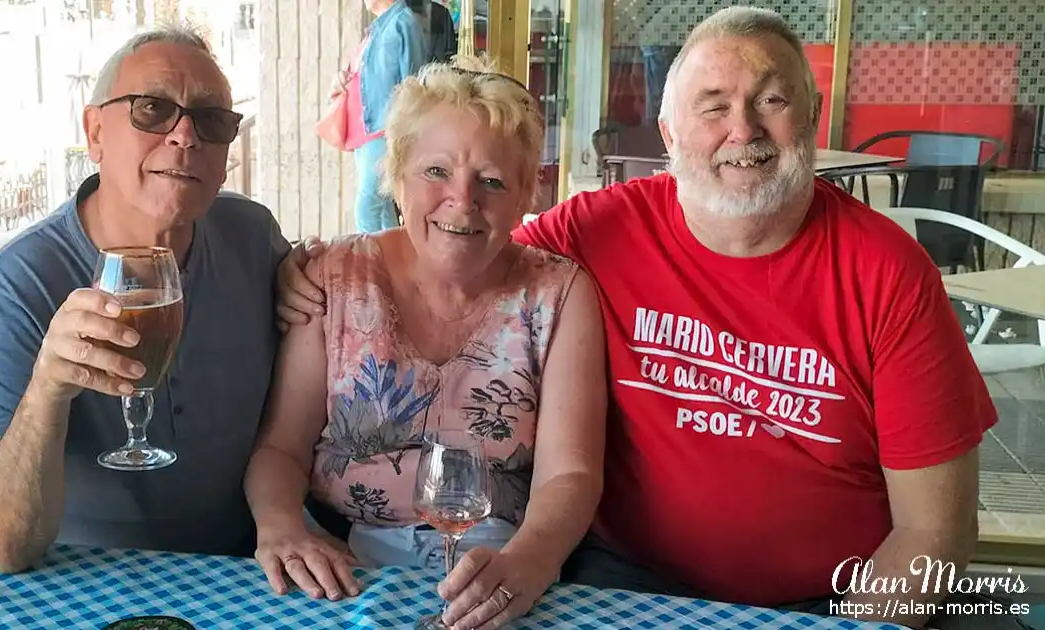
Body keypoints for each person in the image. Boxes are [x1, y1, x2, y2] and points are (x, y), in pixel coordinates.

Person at [275, 8, 1013, 630]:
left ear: (812, 118)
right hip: (625, 584)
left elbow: (932, 532)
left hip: (822, 602)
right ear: (667, 131)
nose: (743, 128)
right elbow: (467, 241)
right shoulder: (598, 231)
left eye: (772, 100)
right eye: (714, 103)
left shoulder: (888, 272)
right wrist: (306, 271)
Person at [245, 56, 607, 630]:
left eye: (491, 181)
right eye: (436, 172)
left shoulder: (560, 293)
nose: (462, 201)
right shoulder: (333, 276)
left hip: (506, 568)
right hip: (343, 572)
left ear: (524, 197)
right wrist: (282, 527)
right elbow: (280, 449)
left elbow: (571, 474)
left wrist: (531, 562)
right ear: (395, 175)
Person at [0, 26, 290, 573]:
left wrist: (318, 277)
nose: (185, 136)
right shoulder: (24, 281)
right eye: (152, 108)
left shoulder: (252, 238)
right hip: (85, 576)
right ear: (95, 132)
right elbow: (7, 546)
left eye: (211, 120)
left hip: (246, 567)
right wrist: (48, 389)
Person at [331, 0, 430, 234]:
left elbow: (414, 84)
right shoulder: (378, 28)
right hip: (366, 133)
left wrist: (407, 134)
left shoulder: (404, 22)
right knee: (382, 206)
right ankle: (391, 263)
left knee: (367, 206)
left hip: (383, 131)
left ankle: (369, 265)